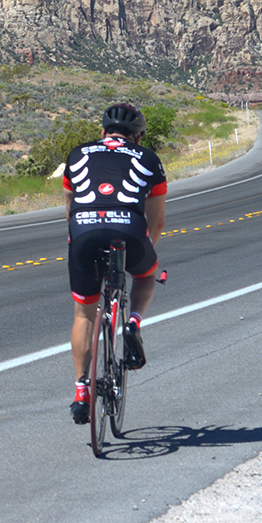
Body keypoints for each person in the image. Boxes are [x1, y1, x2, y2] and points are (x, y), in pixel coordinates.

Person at [65, 102, 167, 424]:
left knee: (84, 313)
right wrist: (145, 253)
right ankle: (133, 322)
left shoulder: (77, 154)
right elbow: (157, 222)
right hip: (129, 230)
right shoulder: (150, 159)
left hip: (83, 230)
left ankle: (82, 390)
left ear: (102, 132)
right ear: (137, 138)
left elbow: (69, 209)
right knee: (147, 275)